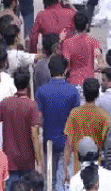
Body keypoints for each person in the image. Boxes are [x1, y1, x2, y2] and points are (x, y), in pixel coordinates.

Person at [37, 55, 81, 191]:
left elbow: (39, 119)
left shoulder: (41, 91)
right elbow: (75, 120)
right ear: (66, 70)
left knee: (49, 179)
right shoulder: (73, 92)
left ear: (50, 70)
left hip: (48, 142)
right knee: (64, 179)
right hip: (67, 141)